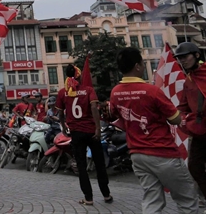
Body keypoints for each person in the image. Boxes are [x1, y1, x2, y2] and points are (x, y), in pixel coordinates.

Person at [111, 47, 198, 213]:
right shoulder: (152, 91)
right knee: (187, 199)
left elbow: (117, 115)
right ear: (137, 66)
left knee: (152, 200)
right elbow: (176, 119)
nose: (144, 67)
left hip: (137, 155)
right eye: (143, 64)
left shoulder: (115, 93)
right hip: (163, 153)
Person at [56, 64, 112, 206]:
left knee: (81, 166)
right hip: (92, 132)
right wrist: (98, 128)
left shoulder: (63, 92)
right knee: (99, 164)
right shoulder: (88, 90)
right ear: (79, 76)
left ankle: (88, 198)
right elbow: (94, 107)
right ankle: (106, 194)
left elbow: (60, 112)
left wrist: (63, 126)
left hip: (76, 133)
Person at [174, 42, 206, 200]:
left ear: (197, 55)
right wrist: (179, 116)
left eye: (185, 57)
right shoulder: (189, 79)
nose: (182, 61)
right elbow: (183, 105)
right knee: (194, 168)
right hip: (200, 131)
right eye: (179, 58)